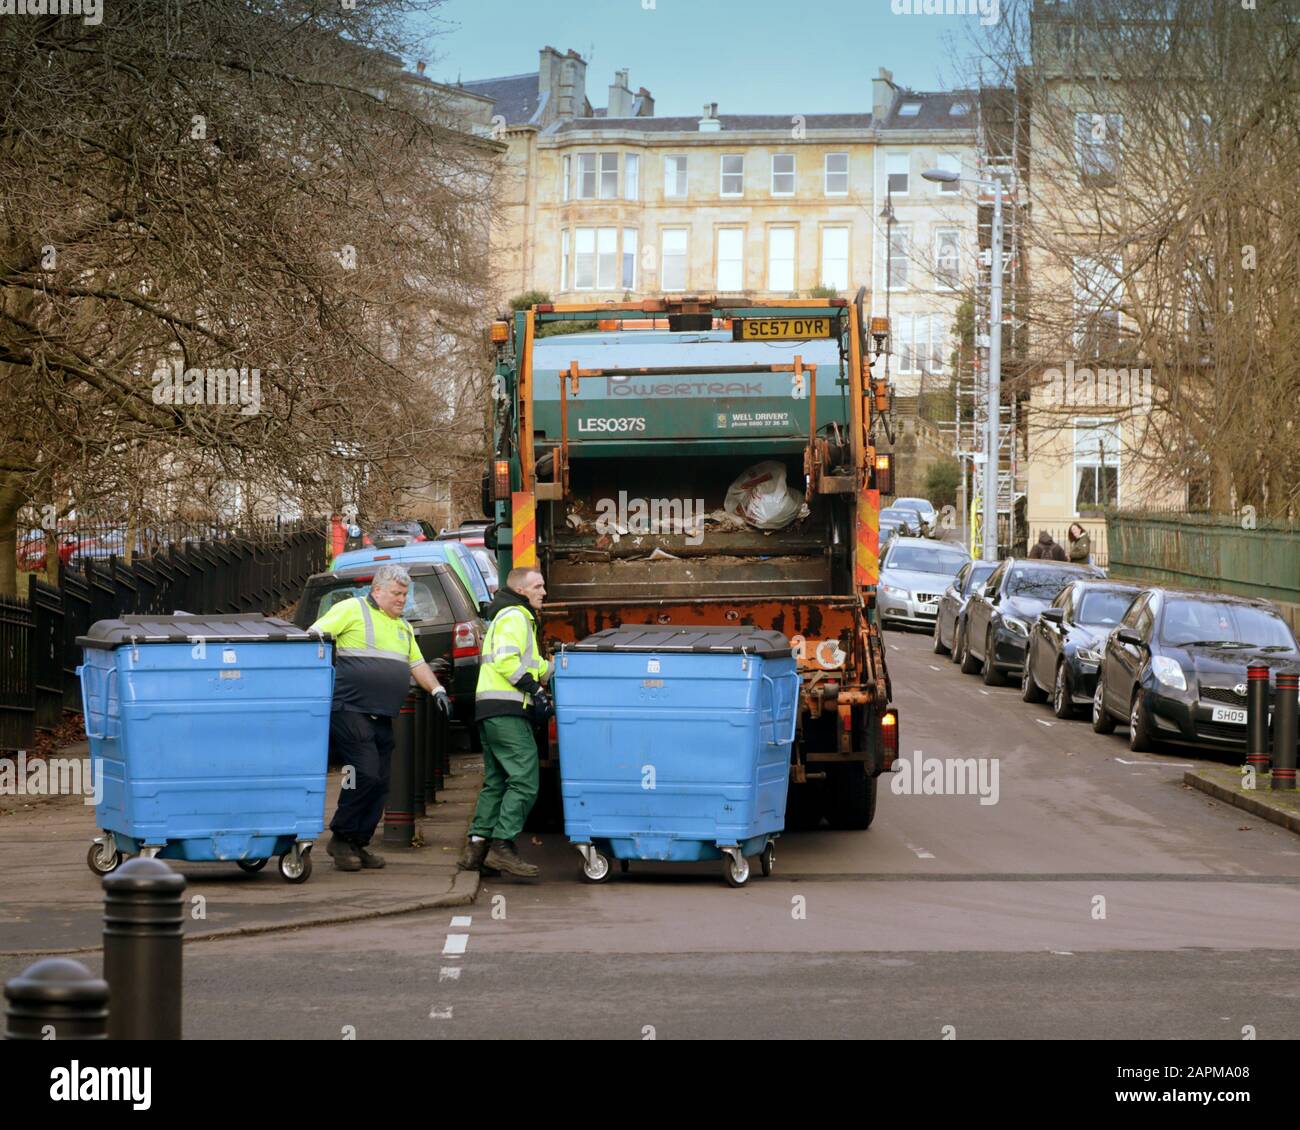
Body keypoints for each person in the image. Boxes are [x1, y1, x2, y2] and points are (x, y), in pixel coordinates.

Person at [310, 564, 451, 871]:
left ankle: (358, 842)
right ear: (377, 590)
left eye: (405, 594)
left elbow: (417, 663)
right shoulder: (352, 609)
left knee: (381, 782)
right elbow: (314, 638)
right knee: (363, 773)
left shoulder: (403, 627)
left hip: (382, 714)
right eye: (396, 593)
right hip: (349, 709)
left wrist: (437, 689)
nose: (402, 600)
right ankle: (341, 837)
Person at [458, 566, 551, 879]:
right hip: (507, 709)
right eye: (538, 586)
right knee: (524, 779)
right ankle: (503, 846)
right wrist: (535, 689)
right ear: (522, 590)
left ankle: (476, 848)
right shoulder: (516, 616)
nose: (543, 591)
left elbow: (525, 661)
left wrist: (552, 668)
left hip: (490, 709)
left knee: (497, 781)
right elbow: (507, 660)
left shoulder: (504, 616)